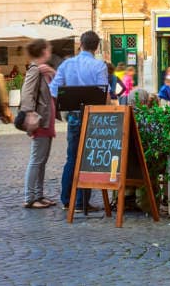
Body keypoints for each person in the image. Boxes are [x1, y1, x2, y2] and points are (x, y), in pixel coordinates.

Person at [49, 30, 109, 211]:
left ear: (80, 45)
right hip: (92, 116)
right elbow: (103, 95)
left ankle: (68, 199)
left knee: (72, 157)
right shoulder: (99, 66)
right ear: (96, 47)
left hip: (74, 115)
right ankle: (82, 201)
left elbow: (53, 90)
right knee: (87, 158)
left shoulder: (67, 65)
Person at [20, 39, 57, 209]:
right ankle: (29, 197)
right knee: (36, 160)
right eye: (48, 49)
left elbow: (56, 89)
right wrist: (29, 114)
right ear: (43, 51)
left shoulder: (44, 70)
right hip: (40, 121)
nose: (50, 51)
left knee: (42, 160)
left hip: (47, 121)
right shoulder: (35, 69)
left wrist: (52, 72)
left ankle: (39, 195)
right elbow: (27, 93)